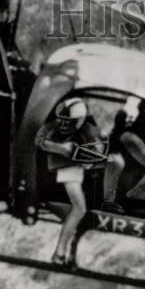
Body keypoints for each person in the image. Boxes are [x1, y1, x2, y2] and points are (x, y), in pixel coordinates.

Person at [35, 97, 106, 267]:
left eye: (69, 122)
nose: (63, 124)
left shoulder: (87, 128)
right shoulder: (54, 124)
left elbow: (99, 148)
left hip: (79, 168)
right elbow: (39, 140)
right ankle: (59, 253)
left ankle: (69, 248)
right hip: (67, 168)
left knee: (82, 208)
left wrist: (89, 158)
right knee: (79, 208)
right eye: (62, 120)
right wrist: (60, 149)